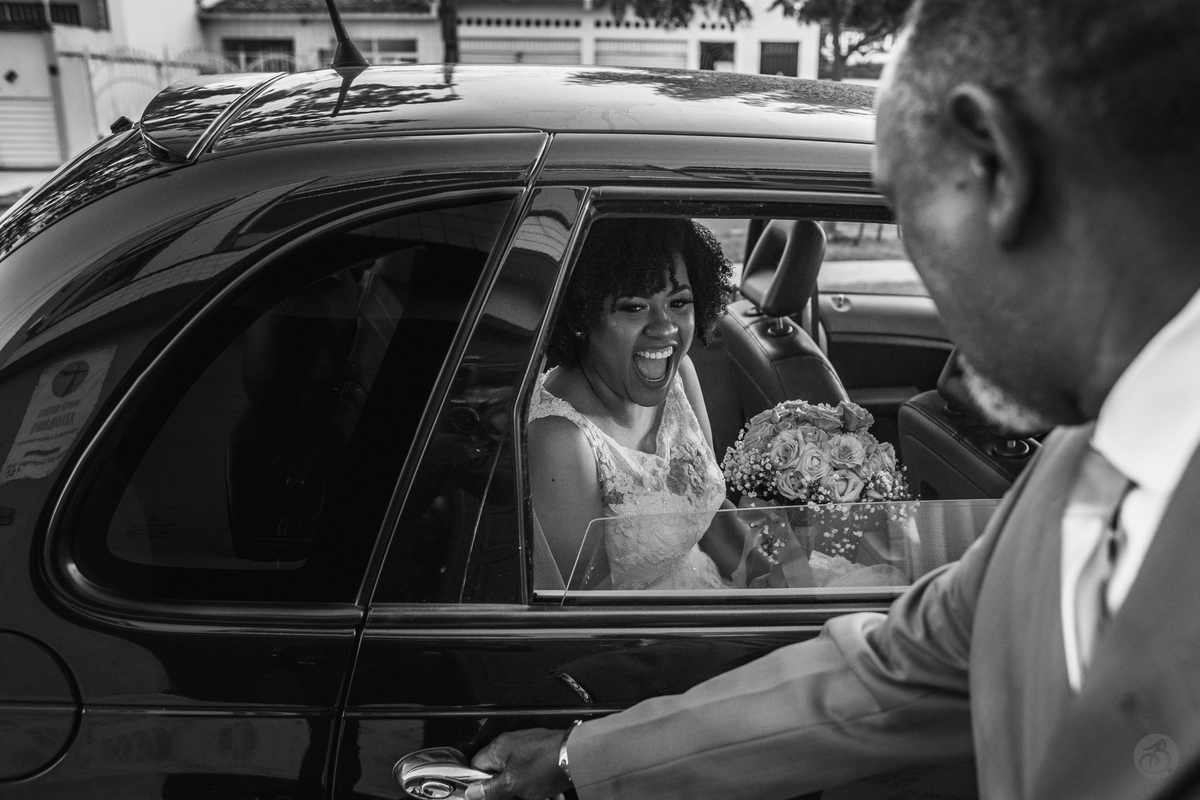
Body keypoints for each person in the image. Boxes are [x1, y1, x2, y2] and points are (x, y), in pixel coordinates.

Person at [464, 0, 1200, 798]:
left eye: (906, 213)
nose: (932, 288)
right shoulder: (1070, 477)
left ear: (998, 169)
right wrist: (580, 761)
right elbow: (883, 677)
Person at [527, 216, 742, 590]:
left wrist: (780, 578)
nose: (665, 327)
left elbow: (711, 512)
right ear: (581, 315)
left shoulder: (680, 376)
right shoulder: (559, 439)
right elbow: (589, 608)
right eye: (634, 307)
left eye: (678, 302)